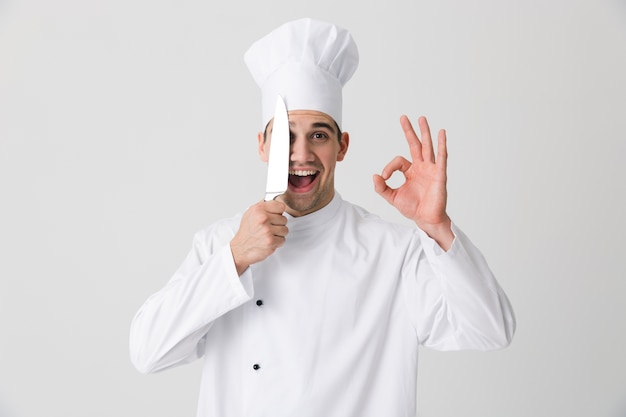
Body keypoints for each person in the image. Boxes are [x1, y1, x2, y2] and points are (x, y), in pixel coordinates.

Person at [129, 18, 515, 417]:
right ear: (263, 146)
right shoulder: (219, 244)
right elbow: (147, 351)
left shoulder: (393, 252)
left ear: (342, 146)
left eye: (318, 135)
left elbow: (491, 330)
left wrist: (437, 227)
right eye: (285, 135)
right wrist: (234, 259)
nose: (301, 155)